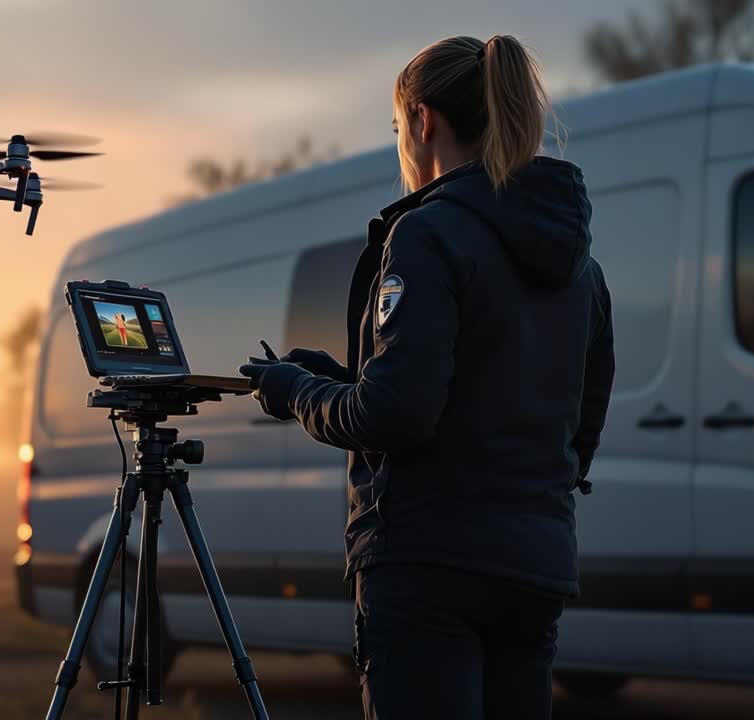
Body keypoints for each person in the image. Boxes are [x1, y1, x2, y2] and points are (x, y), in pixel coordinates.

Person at [240, 35, 615, 720]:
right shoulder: (577, 264)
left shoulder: (427, 233)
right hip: (534, 565)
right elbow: (578, 421)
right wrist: (343, 382)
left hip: (429, 566)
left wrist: (296, 393)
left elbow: (399, 415)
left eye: (396, 128)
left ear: (422, 120)